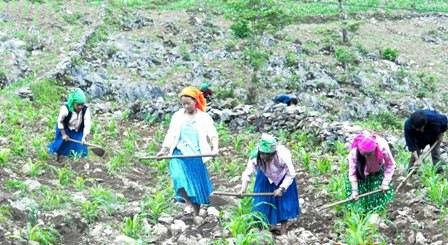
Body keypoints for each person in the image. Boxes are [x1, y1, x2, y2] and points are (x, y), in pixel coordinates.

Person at [157, 86, 219, 217]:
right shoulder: (178, 116)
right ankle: (187, 201)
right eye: (183, 103)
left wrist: (215, 147)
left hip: (196, 154)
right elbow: (171, 134)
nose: (185, 106)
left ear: (195, 101)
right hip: (179, 153)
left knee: (195, 184)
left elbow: (212, 133)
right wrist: (164, 149)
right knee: (178, 177)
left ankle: (196, 215)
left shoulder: (203, 117)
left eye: (188, 103)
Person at [240, 134, 300, 236]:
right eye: (262, 156)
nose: (264, 159)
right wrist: (243, 188)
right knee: (262, 202)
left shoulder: (283, 155)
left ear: (274, 154)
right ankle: (266, 226)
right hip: (265, 177)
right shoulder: (255, 156)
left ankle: (283, 229)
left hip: (283, 177)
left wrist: (281, 188)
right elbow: (248, 172)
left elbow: (291, 174)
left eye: (267, 158)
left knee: (283, 203)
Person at [346, 132, 395, 213]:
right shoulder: (354, 153)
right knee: (357, 203)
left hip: (377, 172)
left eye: (369, 154)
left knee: (377, 200)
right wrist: (355, 191)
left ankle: (377, 215)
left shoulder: (382, 148)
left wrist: (385, 183)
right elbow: (353, 173)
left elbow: (390, 164)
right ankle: (360, 215)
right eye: (364, 154)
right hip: (360, 175)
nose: (366, 156)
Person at [48, 88, 91, 161]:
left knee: (80, 149)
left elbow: (87, 125)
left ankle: (76, 163)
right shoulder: (65, 109)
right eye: (78, 105)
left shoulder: (85, 110)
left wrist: (84, 137)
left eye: (82, 104)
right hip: (65, 127)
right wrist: (63, 134)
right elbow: (60, 121)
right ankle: (58, 157)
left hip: (78, 129)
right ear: (73, 103)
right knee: (61, 144)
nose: (80, 107)